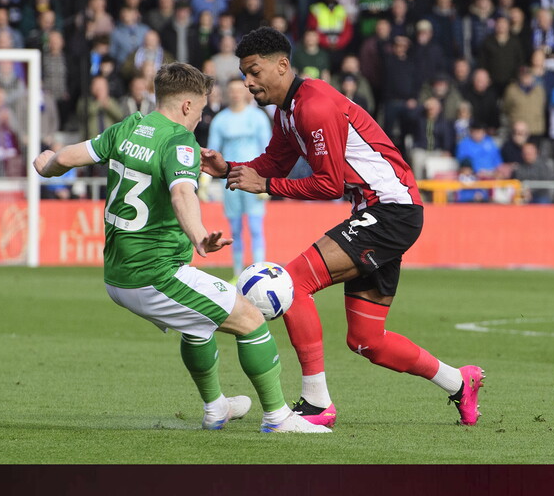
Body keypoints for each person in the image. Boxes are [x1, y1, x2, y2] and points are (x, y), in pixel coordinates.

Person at [199, 27, 485, 428]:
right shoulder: (287, 111)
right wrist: (229, 168)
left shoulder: (314, 106)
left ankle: (316, 404)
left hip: (391, 210)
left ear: (282, 66)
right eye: (245, 73)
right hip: (381, 211)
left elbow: (328, 184)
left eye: (254, 71)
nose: (248, 82)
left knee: (292, 282)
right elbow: (274, 163)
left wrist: (265, 186)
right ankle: (459, 381)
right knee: (367, 340)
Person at [32, 61, 329, 433]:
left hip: (119, 273)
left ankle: (216, 407)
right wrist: (199, 235)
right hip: (153, 274)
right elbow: (182, 193)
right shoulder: (178, 142)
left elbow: (69, 156)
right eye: (202, 110)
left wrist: (47, 167)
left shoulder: (129, 127)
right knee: (251, 319)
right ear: (187, 106)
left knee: (198, 327)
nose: (200, 119)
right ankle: (279, 418)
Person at [207, 78, 273, 280]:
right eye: (232, 90)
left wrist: (267, 180)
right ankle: (238, 273)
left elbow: (268, 149)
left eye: (239, 90)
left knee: (255, 226)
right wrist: (205, 181)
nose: (236, 94)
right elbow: (212, 151)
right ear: (228, 93)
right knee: (235, 228)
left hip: (254, 179)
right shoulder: (220, 120)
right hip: (230, 180)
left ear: (246, 92)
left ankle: (259, 271)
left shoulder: (258, 118)